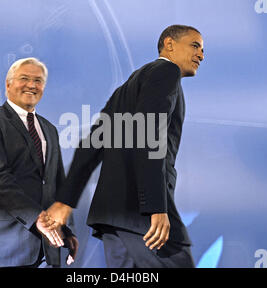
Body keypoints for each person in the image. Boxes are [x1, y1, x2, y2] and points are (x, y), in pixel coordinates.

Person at [45, 25, 204, 268]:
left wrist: (65, 201)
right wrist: (155, 208)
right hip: (143, 219)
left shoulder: (126, 88)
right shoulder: (167, 71)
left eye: (202, 50)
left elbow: (92, 144)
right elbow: (149, 135)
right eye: (195, 45)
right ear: (169, 44)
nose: (201, 55)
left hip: (113, 220)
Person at [0, 57, 78, 268]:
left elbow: (57, 183)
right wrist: (38, 218)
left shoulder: (49, 129)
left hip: (44, 248)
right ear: (8, 84)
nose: (32, 85)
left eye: (38, 80)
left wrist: (66, 229)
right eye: (24, 78)